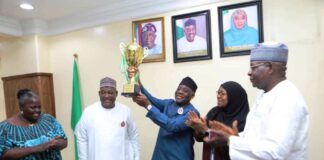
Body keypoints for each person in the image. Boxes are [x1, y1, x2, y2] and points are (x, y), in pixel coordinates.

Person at [203, 42, 309, 160]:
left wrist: (230, 140)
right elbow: (256, 137)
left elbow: (274, 153)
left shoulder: (288, 98)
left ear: (269, 67)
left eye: (253, 67)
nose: (249, 72)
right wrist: (235, 136)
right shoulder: (263, 94)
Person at [132, 75, 200, 160]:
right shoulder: (169, 103)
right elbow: (151, 99)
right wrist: (138, 82)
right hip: (160, 156)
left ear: (192, 95)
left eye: (185, 91)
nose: (180, 92)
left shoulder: (192, 113)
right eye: (178, 89)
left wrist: (148, 106)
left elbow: (173, 126)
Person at [74, 77, 140, 160]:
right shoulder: (89, 112)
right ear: (99, 94)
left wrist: (136, 157)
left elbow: (133, 136)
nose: (106, 96)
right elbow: (81, 138)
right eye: (103, 93)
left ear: (116, 93)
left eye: (110, 93)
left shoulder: (125, 111)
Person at [186, 81, 249, 160]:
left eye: (222, 93)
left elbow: (239, 150)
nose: (218, 96)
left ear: (234, 97)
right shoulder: (214, 112)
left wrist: (206, 130)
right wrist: (198, 130)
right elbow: (200, 138)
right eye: (218, 93)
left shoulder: (246, 120)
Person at [0, 89, 67, 160]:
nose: (37, 110)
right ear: (21, 107)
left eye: (39, 107)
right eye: (33, 107)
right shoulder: (5, 128)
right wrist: (38, 148)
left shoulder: (49, 120)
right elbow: (3, 154)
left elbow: (64, 141)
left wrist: (56, 144)